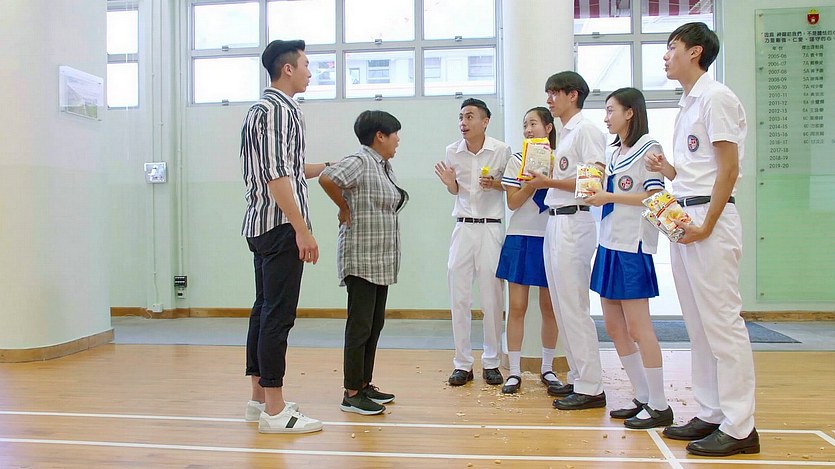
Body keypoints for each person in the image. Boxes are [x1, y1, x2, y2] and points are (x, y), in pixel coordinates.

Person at [646, 22, 759, 456]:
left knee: (723, 324)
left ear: (695, 52)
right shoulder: (688, 102)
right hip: (685, 215)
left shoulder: (716, 98)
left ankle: (740, 426)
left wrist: (708, 224)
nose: (665, 55)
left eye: (671, 47)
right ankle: (711, 412)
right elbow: (700, 169)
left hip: (711, 218)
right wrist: (669, 171)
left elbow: (728, 169)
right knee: (698, 325)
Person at [240, 39, 328, 434]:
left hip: (260, 225)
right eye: (306, 65)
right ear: (288, 69)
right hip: (280, 227)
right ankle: (276, 411)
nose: (310, 72)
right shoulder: (282, 110)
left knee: (263, 310)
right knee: (278, 315)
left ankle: (259, 400)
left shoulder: (258, 110)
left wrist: (327, 166)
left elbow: (289, 168)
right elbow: (278, 176)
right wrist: (302, 230)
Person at [584, 87, 671, 428]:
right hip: (608, 242)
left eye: (611, 110)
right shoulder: (612, 152)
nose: (606, 117)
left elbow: (654, 197)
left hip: (633, 245)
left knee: (638, 327)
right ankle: (643, 395)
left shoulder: (650, 148)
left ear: (630, 112)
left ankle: (661, 404)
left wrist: (609, 196)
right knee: (614, 326)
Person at [319, 110, 409, 416]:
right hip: (361, 257)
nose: (398, 139)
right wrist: (343, 206)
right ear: (379, 136)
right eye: (394, 133)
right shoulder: (360, 160)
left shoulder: (383, 166)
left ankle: (364, 383)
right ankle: (352, 393)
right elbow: (327, 178)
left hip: (381, 258)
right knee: (360, 326)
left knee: (374, 324)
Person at [527, 71, 607, 410]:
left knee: (574, 306)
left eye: (554, 93)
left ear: (572, 95)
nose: (549, 100)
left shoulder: (586, 130)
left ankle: (591, 386)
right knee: (562, 306)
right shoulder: (564, 135)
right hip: (556, 220)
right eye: (547, 93)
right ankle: (577, 376)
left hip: (575, 220)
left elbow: (593, 180)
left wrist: (548, 182)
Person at [434, 98, 511, 387]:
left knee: (492, 297)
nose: (463, 123)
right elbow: (456, 191)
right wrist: (450, 183)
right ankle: (462, 363)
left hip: (491, 228)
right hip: (463, 227)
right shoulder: (452, 151)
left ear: (485, 121)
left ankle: (491, 362)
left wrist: (497, 183)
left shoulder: (501, 150)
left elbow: (512, 185)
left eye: (469, 117)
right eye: (461, 117)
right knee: (459, 296)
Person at [497, 107, 562, 394]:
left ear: (548, 127)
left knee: (550, 307)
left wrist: (550, 176)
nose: (528, 129)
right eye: (525, 125)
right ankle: (514, 370)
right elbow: (512, 203)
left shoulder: (561, 159)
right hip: (521, 237)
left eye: (533, 123)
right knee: (517, 307)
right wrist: (533, 185)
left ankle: (548, 368)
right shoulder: (516, 160)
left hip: (550, 236)